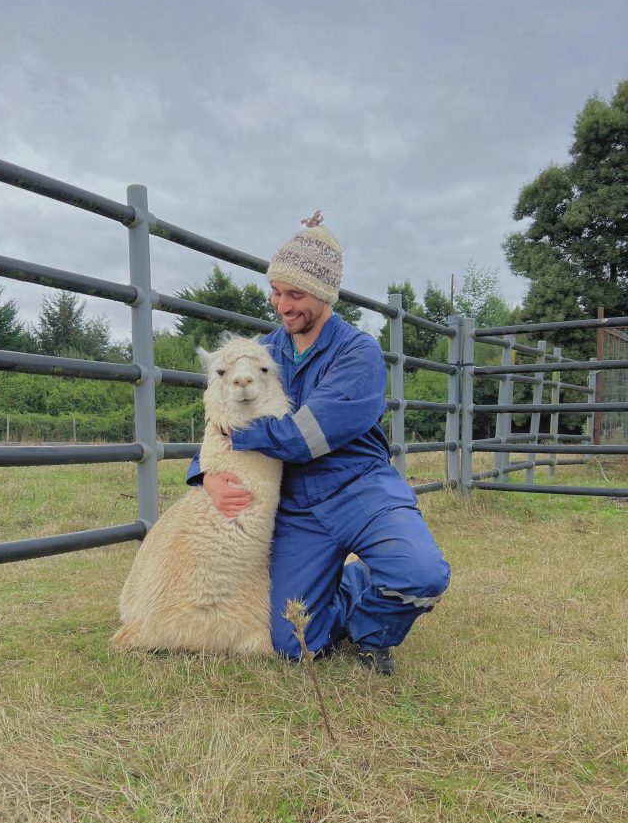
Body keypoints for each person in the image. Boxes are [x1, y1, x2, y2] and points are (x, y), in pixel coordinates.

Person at [186, 212, 450, 675]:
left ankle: (373, 633)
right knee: (294, 645)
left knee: (422, 575)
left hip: (360, 487)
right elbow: (222, 404)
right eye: (275, 292)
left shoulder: (358, 353)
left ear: (325, 294)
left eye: (295, 294)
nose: (282, 306)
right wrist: (205, 472)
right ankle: (350, 584)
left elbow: (304, 436)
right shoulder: (265, 349)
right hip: (298, 505)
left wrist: (239, 435)